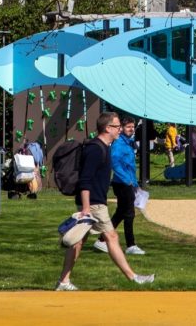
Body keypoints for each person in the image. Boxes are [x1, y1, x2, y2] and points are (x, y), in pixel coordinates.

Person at [56, 112, 154, 291]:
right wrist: (86, 207)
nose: (120, 130)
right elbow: (85, 180)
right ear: (108, 128)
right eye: (117, 127)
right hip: (93, 203)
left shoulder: (104, 147)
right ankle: (133, 277)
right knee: (111, 236)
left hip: (95, 201)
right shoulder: (96, 148)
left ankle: (63, 281)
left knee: (78, 242)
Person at [96, 116, 143, 255]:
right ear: (121, 128)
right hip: (122, 184)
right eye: (128, 127)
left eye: (133, 127)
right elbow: (115, 163)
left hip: (127, 183)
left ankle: (101, 240)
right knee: (129, 214)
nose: (131, 129)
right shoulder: (119, 144)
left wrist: (135, 184)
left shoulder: (128, 143)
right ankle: (130, 245)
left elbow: (129, 166)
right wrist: (127, 181)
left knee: (121, 213)